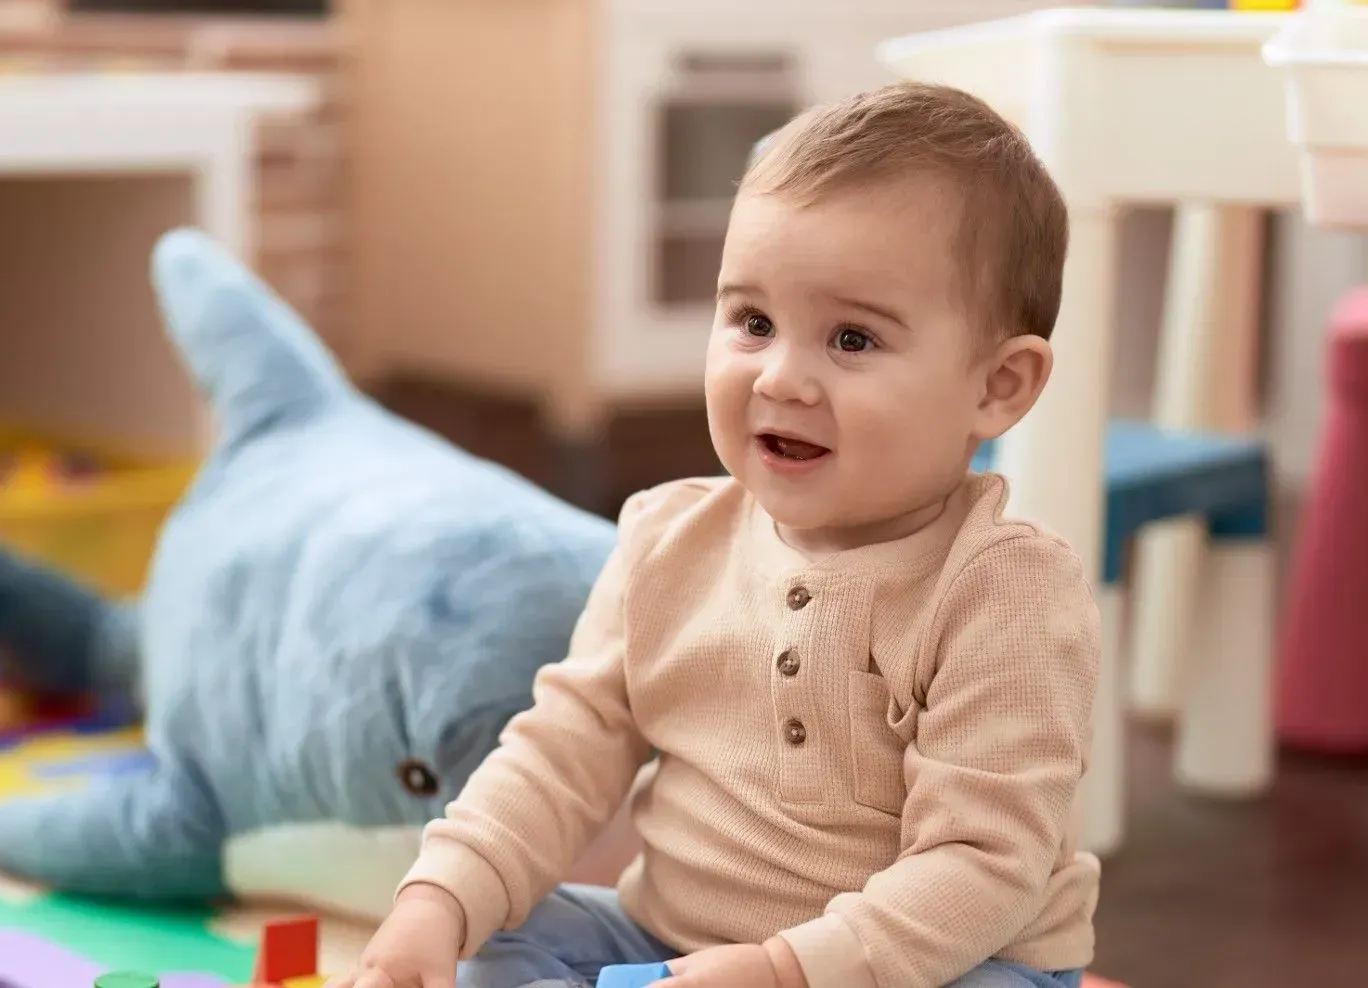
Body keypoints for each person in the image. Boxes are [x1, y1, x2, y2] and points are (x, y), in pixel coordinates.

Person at [330, 79, 1102, 988]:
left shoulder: (1002, 591)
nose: (781, 377)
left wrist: (785, 971)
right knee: (504, 942)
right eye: (753, 321)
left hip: (931, 965)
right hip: (672, 945)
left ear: (998, 386)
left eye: (852, 340)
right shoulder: (668, 540)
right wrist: (441, 899)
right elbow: (560, 750)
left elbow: (982, 869)